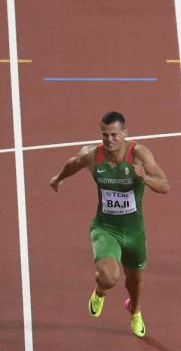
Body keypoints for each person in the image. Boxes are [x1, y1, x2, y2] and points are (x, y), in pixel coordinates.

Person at [49, 111, 169, 338]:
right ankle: (100, 291)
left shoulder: (140, 154)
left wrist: (145, 178)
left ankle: (134, 311)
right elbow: (73, 164)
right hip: (105, 229)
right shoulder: (94, 155)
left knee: (134, 281)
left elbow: (165, 185)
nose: (109, 140)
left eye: (114, 135)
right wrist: (58, 178)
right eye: (105, 135)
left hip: (134, 232)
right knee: (109, 277)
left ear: (125, 133)